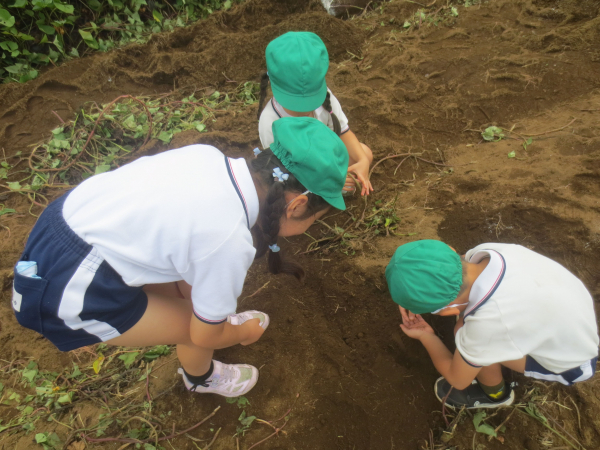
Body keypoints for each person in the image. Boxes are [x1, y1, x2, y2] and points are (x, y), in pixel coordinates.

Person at [12, 117, 348, 398]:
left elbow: (183, 234)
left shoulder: (206, 156)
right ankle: (200, 378)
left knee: (201, 311)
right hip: (71, 289)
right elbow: (203, 335)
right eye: (315, 219)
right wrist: (242, 332)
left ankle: (209, 320)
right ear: (297, 205)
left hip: (62, 230)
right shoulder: (228, 240)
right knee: (195, 328)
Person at [385, 240, 599, 408]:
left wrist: (427, 336)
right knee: (471, 333)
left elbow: (457, 379)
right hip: (573, 320)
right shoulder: (488, 252)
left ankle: (496, 395)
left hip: (570, 363)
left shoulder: (488, 325)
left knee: (470, 341)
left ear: (448, 311)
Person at [257, 31, 374, 196]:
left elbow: (343, 133)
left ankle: (330, 193)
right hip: (298, 177)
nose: (304, 108)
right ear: (271, 82)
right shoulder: (270, 122)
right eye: (295, 102)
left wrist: (362, 162)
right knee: (283, 194)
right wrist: (325, 182)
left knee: (365, 153)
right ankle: (324, 195)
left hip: (327, 163)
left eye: (309, 100)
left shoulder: (326, 98)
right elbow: (282, 171)